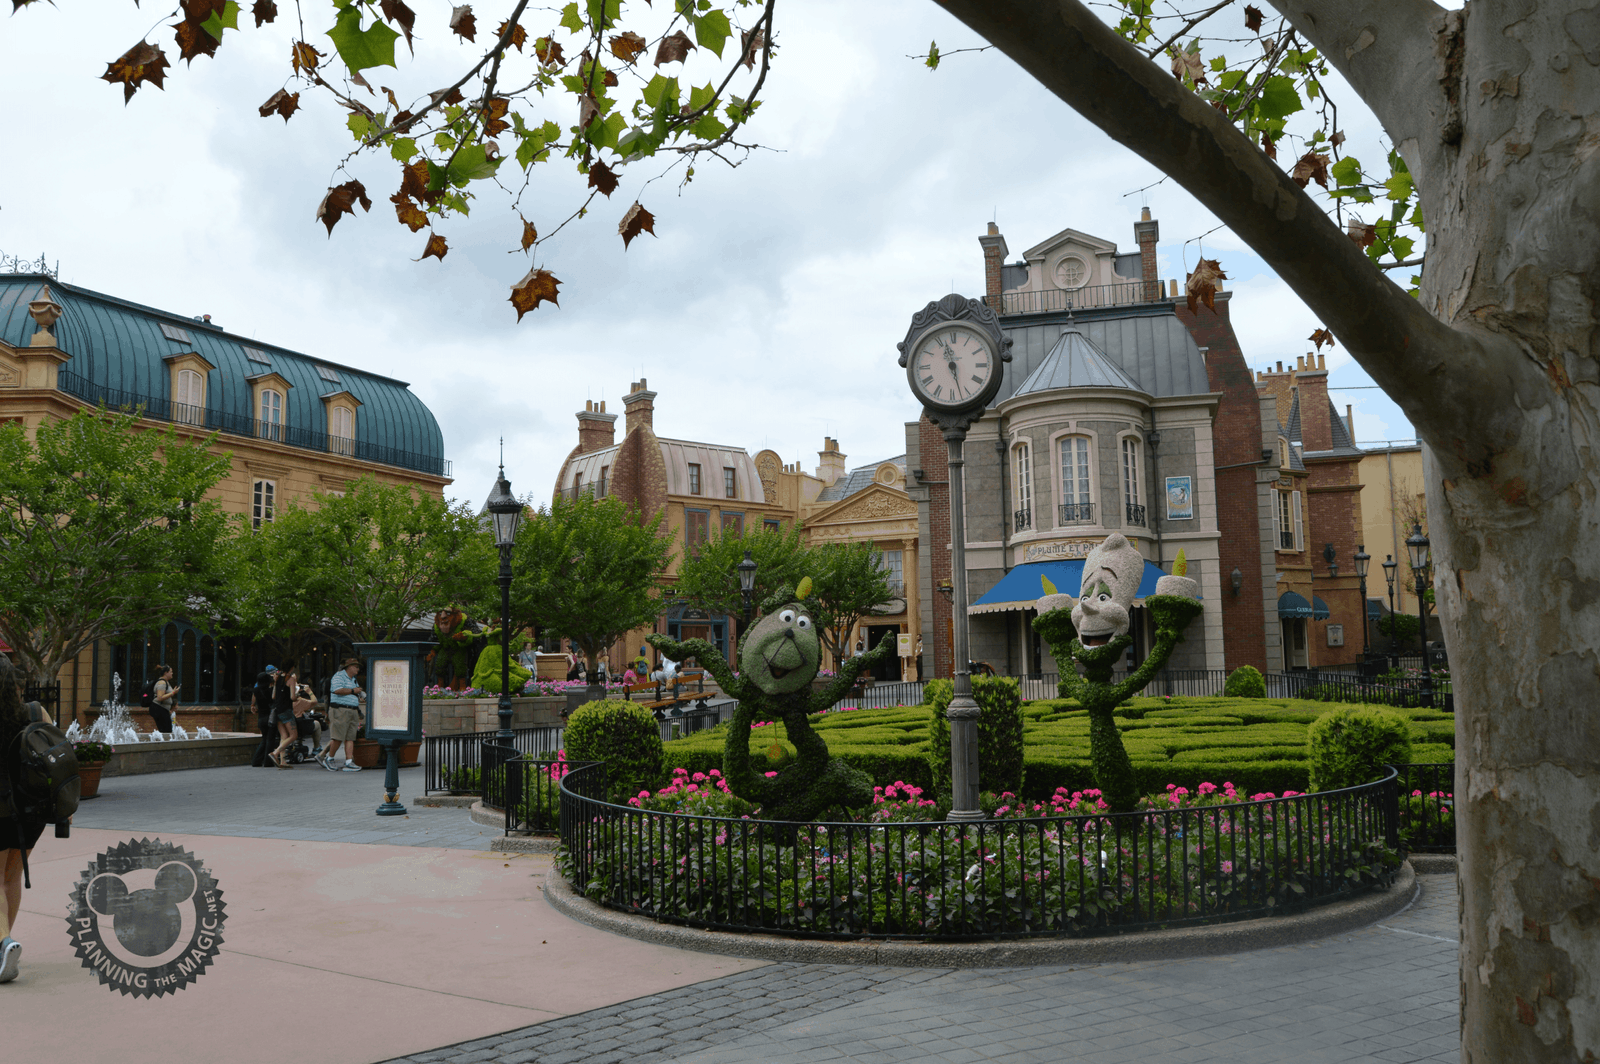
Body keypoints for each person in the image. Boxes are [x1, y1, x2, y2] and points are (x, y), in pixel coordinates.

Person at [0, 657, 50, 984]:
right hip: (31, 813)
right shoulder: (34, 711)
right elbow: (59, 754)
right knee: (10, 879)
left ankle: (4, 944)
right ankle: (5, 947)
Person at [323, 659, 364, 772]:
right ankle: (329, 758)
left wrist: (358, 695)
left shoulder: (353, 679)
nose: (358, 669)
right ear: (349, 667)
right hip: (340, 709)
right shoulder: (339, 676)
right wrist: (352, 691)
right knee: (337, 737)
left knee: (350, 737)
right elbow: (337, 690)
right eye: (356, 666)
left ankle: (349, 762)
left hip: (351, 710)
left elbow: (354, 691)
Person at [269, 665, 299, 769]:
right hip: (286, 709)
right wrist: (297, 695)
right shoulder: (291, 679)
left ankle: (283, 761)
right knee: (293, 735)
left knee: (284, 736)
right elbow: (292, 697)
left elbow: (273, 696)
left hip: (277, 710)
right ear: (291, 668)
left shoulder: (277, 678)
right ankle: (275, 753)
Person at [250, 664, 278, 767]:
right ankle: (268, 761)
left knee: (264, 739)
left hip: (261, 718)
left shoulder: (256, 691)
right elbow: (274, 699)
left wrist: (252, 705)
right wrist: (274, 683)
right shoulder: (269, 690)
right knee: (270, 740)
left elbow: (254, 701)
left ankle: (256, 761)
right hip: (270, 717)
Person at [149, 664, 178, 736]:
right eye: (171, 672)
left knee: (166, 731)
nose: (172, 673)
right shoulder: (162, 682)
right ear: (165, 673)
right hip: (159, 709)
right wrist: (173, 693)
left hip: (162, 709)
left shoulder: (165, 682)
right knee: (166, 732)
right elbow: (160, 697)